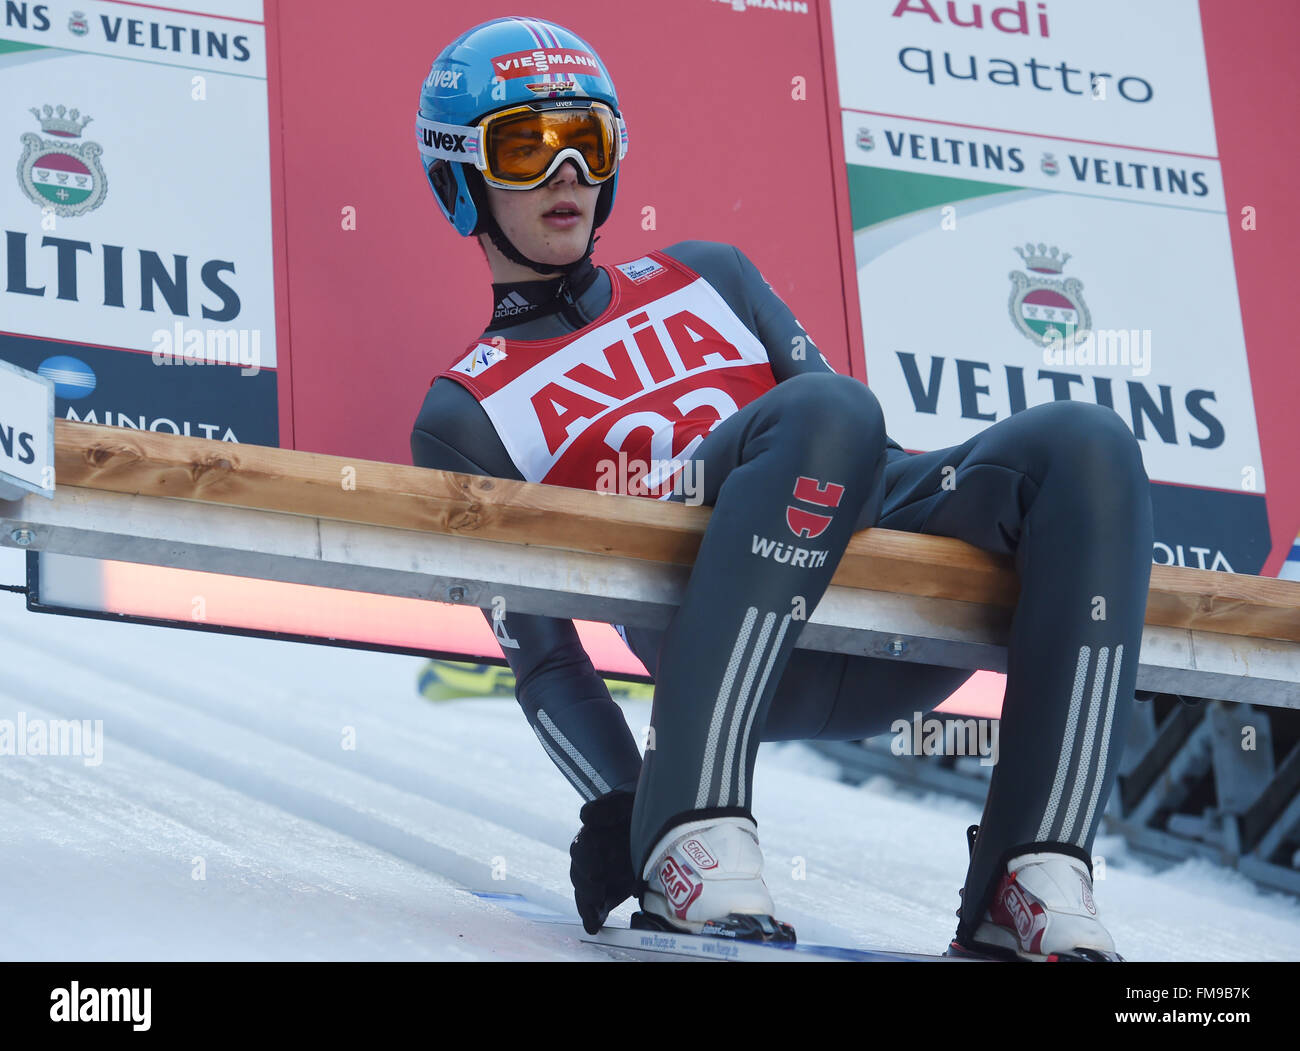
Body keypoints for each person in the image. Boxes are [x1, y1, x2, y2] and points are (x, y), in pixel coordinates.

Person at [410, 16, 1153, 960]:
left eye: (585, 141)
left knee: (1086, 446)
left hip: (880, 615)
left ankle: (1033, 865)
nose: (565, 173)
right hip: (722, 650)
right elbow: (545, 661)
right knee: (823, 413)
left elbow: (863, 455)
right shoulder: (465, 409)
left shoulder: (706, 272)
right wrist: (622, 799)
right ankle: (692, 824)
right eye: (525, 147)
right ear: (458, 177)